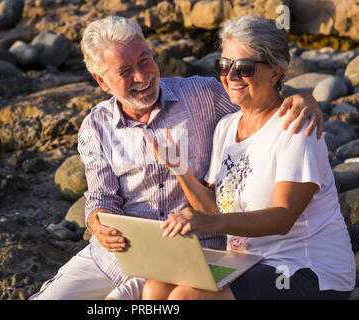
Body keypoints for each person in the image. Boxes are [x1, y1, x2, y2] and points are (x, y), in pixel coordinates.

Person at [29, 16, 324, 300]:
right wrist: (96, 223)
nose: (142, 77)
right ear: (102, 81)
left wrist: (304, 99)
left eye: (145, 61)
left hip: (191, 253)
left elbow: (258, 97)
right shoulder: (96, 126)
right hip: (120, 254)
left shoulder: (202, 95)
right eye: (125, 71)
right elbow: (101, 197)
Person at [141, 15, 356, 300]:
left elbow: (282, 218)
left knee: (187, 297)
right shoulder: (226, 127)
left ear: (276, 73)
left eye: (243, 68)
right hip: (244, 262)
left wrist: (210, 224)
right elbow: (215, 211)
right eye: (224, 65)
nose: (231, 77)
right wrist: (180, 170)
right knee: (156, 287)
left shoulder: (296, 127)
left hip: (303, 269)